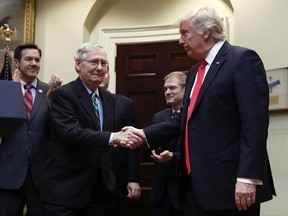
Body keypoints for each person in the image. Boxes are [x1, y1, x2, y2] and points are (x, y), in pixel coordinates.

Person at [122, 5, 276, 216]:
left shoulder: (242, 60)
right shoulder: (195, 71)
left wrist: (248, 178)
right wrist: (144, 134)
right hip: (195, 184)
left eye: (185, 33)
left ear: (206, 32)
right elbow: (184, 119)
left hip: (232, 185)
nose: (180, 40)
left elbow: (254, 125)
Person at [40, 42, 140, 216]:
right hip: (67, 190)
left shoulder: (108, 99)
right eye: (94, 62)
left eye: (103, 63)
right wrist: (113, 138)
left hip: (101, 192)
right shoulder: (65, 94)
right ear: (78, 65)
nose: (100, 68)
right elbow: (71, 133)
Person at [0, 43, 62, 216]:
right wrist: (14, 94)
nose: (34, 63)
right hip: (8, 173)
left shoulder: (51, 91)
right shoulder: (4, 89)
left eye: (37, 59)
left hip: (41, 176)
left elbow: (58, 129)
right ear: (17, 63)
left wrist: (51, 102)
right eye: (29, 59)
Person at [100, 65, 141, 216]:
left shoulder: (125, 104)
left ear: (109, 77)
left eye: (105, 73)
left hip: (118, 175)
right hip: (87, 176)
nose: (101, 76)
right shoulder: (78, 102)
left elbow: (133, 145)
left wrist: (133, 179)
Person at [148, 71, 186, 216]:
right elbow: (147, 149)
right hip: (161, 194)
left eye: (172, 88)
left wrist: (173, 156)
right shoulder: (159, 117)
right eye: (165, 89)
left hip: (184, 192)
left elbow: (199, 151)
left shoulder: (194, 116)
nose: (167, 92)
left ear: (185, 89)